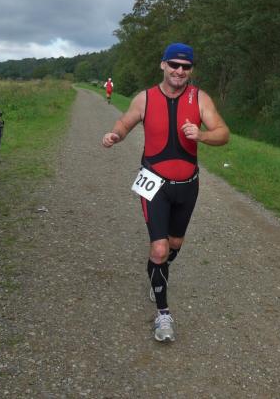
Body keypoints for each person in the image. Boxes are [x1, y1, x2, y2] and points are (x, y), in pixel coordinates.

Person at [101, 42, 229, 342]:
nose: (179, 71)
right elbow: (125, 122)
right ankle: (163, 314)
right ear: (163, 65)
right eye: (174, 64)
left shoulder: (199, 98)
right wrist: (115, 135)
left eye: (186, 67)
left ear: (191, 70)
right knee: (159, 248)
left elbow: (223, 133)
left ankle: (157, 272)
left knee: (174, 243)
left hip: (188, 185)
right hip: (154, 183)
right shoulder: (145, 98)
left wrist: (202, 135)